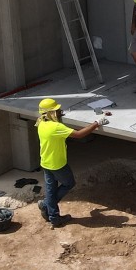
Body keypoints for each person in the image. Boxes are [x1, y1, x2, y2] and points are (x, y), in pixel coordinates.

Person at [36, 97, 105, 228]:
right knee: (69, 183)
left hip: (45, 162)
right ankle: (47, 206)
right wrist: (96, 123)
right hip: (58, 164)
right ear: (50, 113)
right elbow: (78, 135)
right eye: (56, 111)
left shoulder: (40, 123)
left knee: (51, 189)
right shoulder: (56, 127)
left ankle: (53, 216)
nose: (59, 112)